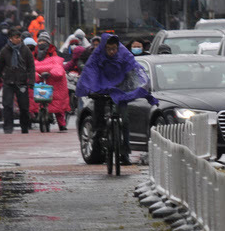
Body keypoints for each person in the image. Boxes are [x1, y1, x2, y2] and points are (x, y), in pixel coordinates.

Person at [76, 33, 157, 164]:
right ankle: (100, 136)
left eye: (114, 49)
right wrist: (91, 88)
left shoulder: (124, 53)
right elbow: (90, 70)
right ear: (104, 47)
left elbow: (133, 68)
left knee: (124, 121)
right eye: (109, 49)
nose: (112, 52)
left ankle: (125, 153)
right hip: (103, 87)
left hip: (121, 89)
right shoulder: (97, 55)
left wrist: (138, 86)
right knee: (99, 115)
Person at [0, 28, 36, 133]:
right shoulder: (5, 51)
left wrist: (31, 81)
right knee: (7, 105)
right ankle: (8, 128)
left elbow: (31, 67)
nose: (19, 40)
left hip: (22, 82)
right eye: (16, 37)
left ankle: (25, 127)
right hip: (8, 82)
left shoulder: (25, 50)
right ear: (10, 38)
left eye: (19, 37)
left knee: (24, 107)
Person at [30, 32, 70, 132]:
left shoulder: (53, 51)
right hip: (40, 78)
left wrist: (50, 71)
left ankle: (62, 125)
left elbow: (57, 64)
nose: (41, 43)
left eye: (44, 41)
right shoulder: (34, 52)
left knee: (57, 103)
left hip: (52, 79)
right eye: (40, 41)